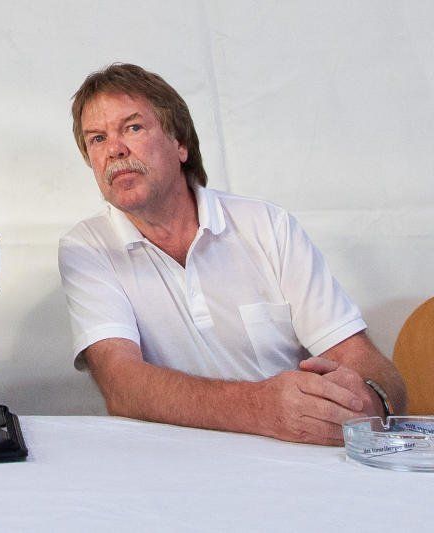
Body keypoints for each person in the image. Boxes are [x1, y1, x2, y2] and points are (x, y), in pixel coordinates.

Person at [58, 63, 406, 445]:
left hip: (294, 456)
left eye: (133, 128)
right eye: (97, 139)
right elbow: (122, 386)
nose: (115, 150)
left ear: (180, 144)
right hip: (170, 461)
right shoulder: (87, 247)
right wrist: (262, 407)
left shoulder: (268, 226)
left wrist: (370, 401)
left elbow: (359, 358)